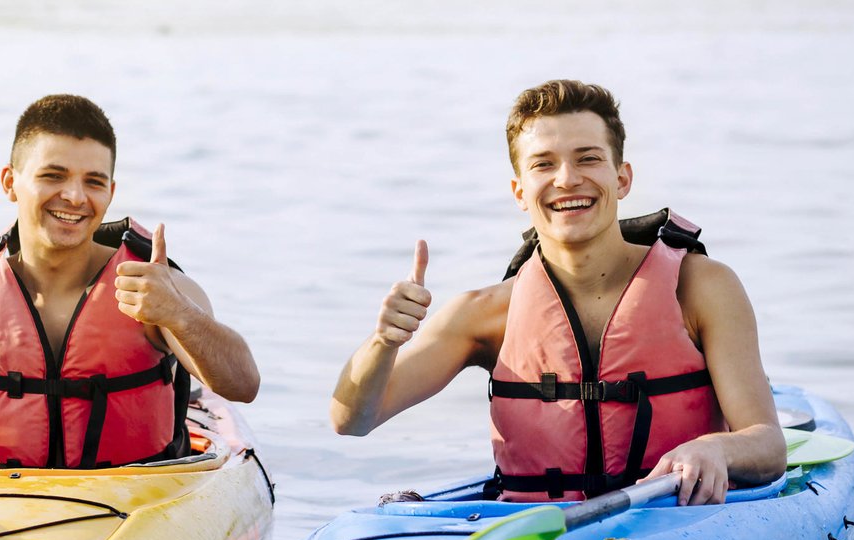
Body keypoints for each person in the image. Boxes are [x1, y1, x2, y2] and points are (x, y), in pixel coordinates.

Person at [329, 79, 783, 505]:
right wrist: (383, 342)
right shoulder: (483, 314)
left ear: (622, 178)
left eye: (588, 158)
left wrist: (715, 449)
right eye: (543, 164)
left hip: (674, 524)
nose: (566, 179)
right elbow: (352, 420)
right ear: (519, 191)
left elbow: (766, 443)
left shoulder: (702, 287)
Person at [0, 94, 259, 470]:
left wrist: (181, 316)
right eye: (53, 175)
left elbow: (242, 385)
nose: (75, 196)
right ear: (10, 183)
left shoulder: (154, 287)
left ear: (110, 193)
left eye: (93, 182)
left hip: (135, 502)